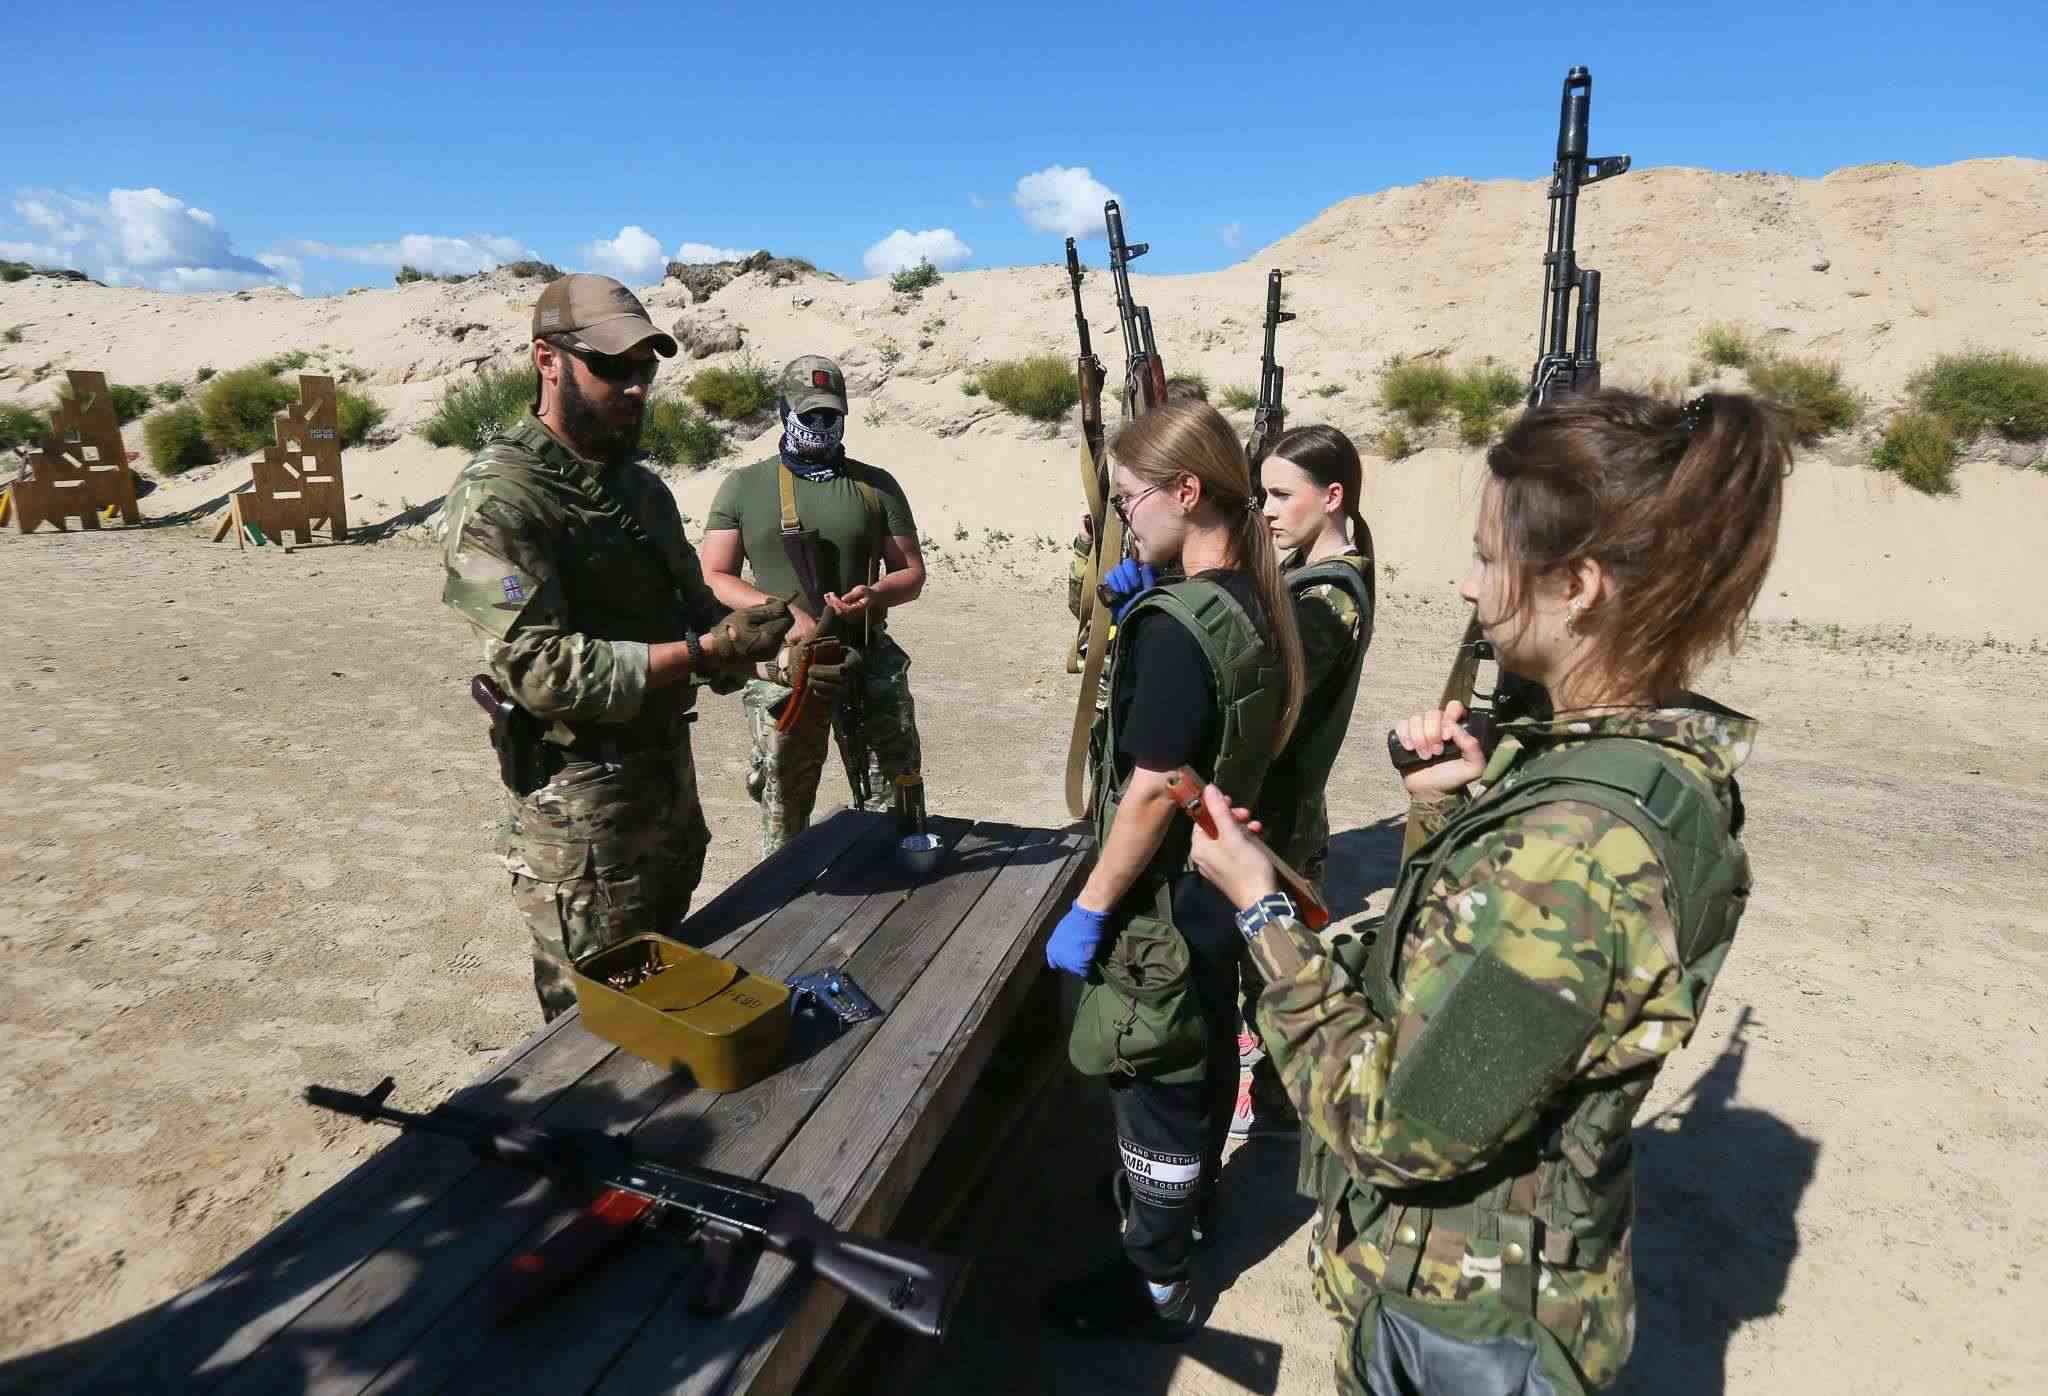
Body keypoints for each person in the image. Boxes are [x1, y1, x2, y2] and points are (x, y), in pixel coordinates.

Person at [1189, 389, 1788, 1393]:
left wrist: (1262, 910)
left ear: (1578, 585)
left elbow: (1395, 1128)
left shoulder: (1577, 850)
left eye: (1485, 556)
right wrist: (1442, 814)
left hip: (1466, 1322)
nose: (1469, 585)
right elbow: (1475, 981)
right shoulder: (1634, 768)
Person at [440, 274, 795, 1019]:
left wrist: (771, 643)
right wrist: (704, 653)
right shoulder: (501, 498)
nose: (635, 388)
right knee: (589, 1035)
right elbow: (540, 669)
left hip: (662, 801)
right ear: (547, 359)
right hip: (583, 830)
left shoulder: (640, 491)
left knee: (672, 1003)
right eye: (611, 367)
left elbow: (695, 611)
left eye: (644, 369)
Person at [1041, 399, 1304, 1338]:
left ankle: (1157, 1276)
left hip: (1160, 901)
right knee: (1201, 1052)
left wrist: (1090, 906)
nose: (1123, 517)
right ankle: (1189, 1211)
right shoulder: (1251, 599)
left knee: (1152, 1077)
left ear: (1185, 492)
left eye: (1129, 499)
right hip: (1216, 889)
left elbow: (1152, 786)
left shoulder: (1175, 625)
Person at [701, 356, 927, 857]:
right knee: (784, 800)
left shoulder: (875, 486)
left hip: (864, 654)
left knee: (894, 797)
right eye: (810, 415)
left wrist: (876, 595)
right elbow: (715, 574)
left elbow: (910, 572)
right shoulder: (744, 486)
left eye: (831, 415)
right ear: (783, 411)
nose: (822, 425)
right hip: (786, 666)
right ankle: (780, 895)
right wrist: (783, 614)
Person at [1231, 423, 1378, 1141]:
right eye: (1262, 495)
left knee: (1276, 967)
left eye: (1282, 496)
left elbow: (1271, 692)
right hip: (1286, 805)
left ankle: (1286, 1106)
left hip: (1282, 810)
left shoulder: (1329, 595)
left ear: (1333, 496)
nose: (1268, 511)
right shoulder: (1316, 571)